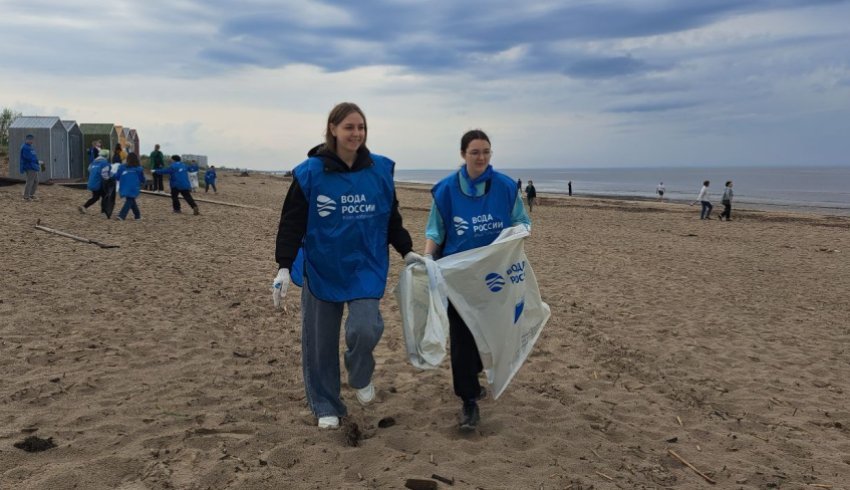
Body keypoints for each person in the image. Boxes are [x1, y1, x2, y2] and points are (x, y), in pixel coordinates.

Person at [272, 102, 416, 430]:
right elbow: (292, 222)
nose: (356, 133)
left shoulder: (379, 171)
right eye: (349, 127)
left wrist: (407, 251)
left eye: (361, 127)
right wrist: (283, 266)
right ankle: (326, 404)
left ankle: (360, 371)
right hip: (323, 266)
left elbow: (390, 218)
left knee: (366, 327)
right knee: (320, 342)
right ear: (333, 129)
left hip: (365, 264)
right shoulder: (310, 173)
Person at [423, 129, 531, 431]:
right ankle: (468, 401)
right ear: (463, 155)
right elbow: (435, 231)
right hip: (457, 278)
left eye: (486, 151)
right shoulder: (445, 191)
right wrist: (428, 258)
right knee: (461, 337)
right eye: (475, 152)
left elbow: (522, 221)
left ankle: (477, 375)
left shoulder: (507, 187)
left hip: (495, 276)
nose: (481, 157)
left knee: (488, 331)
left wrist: (517, 235)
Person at [79, 149, 113, 214]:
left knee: (96, 197)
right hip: (99, 184)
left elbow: (89, 169)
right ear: (107, 156)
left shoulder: (93, 162)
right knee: (105, 196)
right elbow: (104, 175)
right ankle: (104, 211)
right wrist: (109, 179)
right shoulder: (105, 163)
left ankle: (84, 206)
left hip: (92, 182)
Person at [114, 152, 146, 221]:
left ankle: (137, 216)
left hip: (124, 186)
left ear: (127, 159)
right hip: (134, 187)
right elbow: (142, 179)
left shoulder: (122, 167)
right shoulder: (139, 169)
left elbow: (117, 177)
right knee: (130, 199)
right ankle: (122, 216)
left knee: (130, 199)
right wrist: (143, 183)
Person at [20, 134, 42, 201]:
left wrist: (37, 161)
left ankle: (31, 195)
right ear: (26, 140)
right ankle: (26, 197)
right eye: (30, 140)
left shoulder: (30, 147)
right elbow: (28, 157)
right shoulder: (25, 147)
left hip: (33, 166)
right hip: (29, 166)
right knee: (30, 181)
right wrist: (37, 161)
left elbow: (33, 156)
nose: (31, 141)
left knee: (36, 181)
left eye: (32, 140)